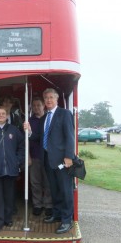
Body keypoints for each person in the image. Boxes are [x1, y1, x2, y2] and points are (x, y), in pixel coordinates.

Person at [25, 88, 75, 234]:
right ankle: (57, 214)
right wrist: (29, 132)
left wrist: (68, 157)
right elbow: (38, 138)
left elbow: (69, 137)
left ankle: (67, 221)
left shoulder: (64, 114)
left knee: (65, 190)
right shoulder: (44, 118)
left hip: (62, 161)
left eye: (51, 97)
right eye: (46, 97)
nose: (48, 100)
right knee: (54, 190)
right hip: (47, 160)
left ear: (56, 99)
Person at [29, 97, 52, 216]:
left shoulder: (49, 119)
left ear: (43, 106)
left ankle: (48, 205)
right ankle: (37, 205)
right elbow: (25, 141)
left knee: (48, 182)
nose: (36, 108)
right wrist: (27, 156)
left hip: (47, 156)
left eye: (38, 105)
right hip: (34, 156)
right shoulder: (28, 121)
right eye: (34, 106)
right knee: (35, 182)